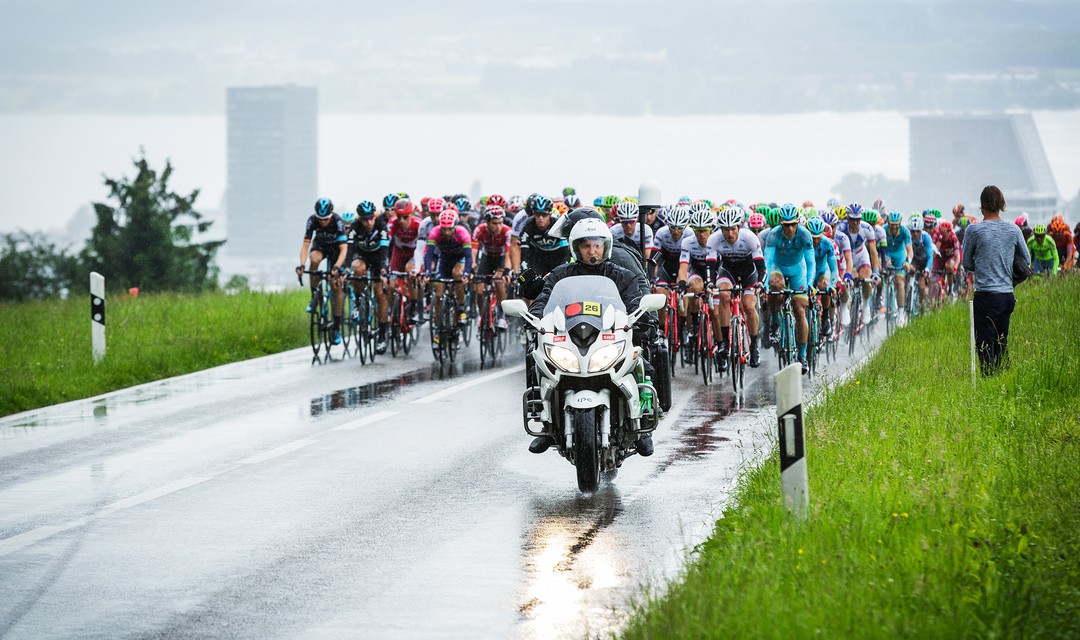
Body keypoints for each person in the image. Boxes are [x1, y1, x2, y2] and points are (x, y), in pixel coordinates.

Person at [528, 218, 657, 457]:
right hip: (573, 338)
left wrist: (640, 318)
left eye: (597, 245)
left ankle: (642, 428)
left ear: (605, 246)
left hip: (609, 338)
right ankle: (545, 425)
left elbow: (634, 303)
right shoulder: (561, 275)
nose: (592, 251)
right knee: (536, 358)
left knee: (644, 365)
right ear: (576, 248)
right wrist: (535, 319)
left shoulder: (622, 276)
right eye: (586, 245)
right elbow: (544, 300)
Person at [961, 185, 1029, 376]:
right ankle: (1003, 381)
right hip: (1007, 295)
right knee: (1001, 342)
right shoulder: (1014, 230)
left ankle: (989, 383)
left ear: (982, 206)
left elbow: (966, 263)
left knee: (984, 345)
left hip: (985, 296)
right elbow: (1027, 260)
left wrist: (983, 266)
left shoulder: (973, 231)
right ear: (1001, 205)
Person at [296, 198, 348, 345]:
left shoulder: (337, 221)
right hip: (320, 247)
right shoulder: (312, 220)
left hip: (335, 251)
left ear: (331, 215)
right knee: (314, 260)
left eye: (326, 219)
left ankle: (336, 326)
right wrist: (301, 264)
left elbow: (344, 249)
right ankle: (315, 296)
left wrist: (337, 267)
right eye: (320, 219)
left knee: (335, 284)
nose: (323, 222)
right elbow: (306, 245)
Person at [346, 202, 391, 353]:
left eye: (371, 218)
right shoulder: (354, 227)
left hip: (379, 258)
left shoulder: (381, 225)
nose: (369, 222)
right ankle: (359, 302)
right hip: (362, 255)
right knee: (357, 268)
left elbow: (385, 249)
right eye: (365, 219)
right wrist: (346, 268)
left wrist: (384, 270)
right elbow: (350, 249)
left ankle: (383, 335)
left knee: (380, 295)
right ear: (360, 219)